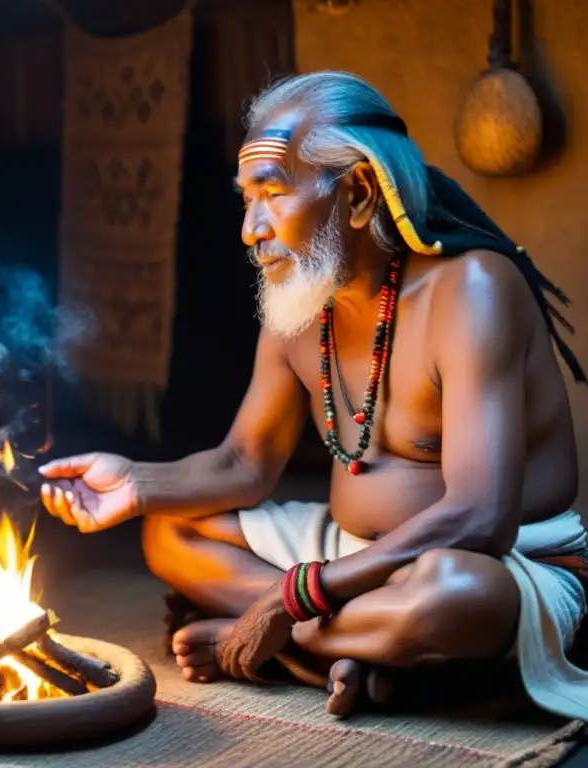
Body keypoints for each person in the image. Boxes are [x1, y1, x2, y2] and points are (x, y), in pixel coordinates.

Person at [38, 71, 588, 719]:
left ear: (357, 195)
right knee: (169, 531)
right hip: (344, 556)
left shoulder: (472, 289)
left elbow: (478, 518)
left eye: (271, 194)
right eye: (246, 199)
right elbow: (243, 463)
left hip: (501, 560)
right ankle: (355, 653)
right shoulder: (297, 308)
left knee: (455, 596)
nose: (250, 229)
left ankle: (286, 644)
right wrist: (134, 481)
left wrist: (287, 603)